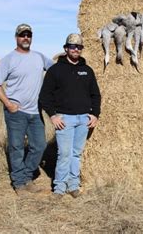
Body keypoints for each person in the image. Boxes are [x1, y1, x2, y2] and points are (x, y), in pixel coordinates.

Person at [0, 23, 53, 195]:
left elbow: (56, 68)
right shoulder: (8, 59)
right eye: (22, 35)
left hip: (35, 111)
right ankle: (19, 183)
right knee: (17, 147)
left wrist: (68, 54)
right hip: (16, 113)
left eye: (28, 35)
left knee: (39, 145)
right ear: (16, 37)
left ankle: (27, 177)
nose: (25, 38)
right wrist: (8, 104)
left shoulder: (40, 57)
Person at [39, 33, 101, 199]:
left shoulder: (87, 71)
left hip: (83, 119)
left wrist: (95, 114)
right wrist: (53, 116)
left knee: (75, 154)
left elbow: (96, 95)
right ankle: (59, 188)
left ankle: (73, 185)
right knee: (64, 154)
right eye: (73, 46)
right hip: (64, 119)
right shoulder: (55, 70)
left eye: (79, 47)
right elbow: (45, 96)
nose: (76, 49)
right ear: (66, 48)